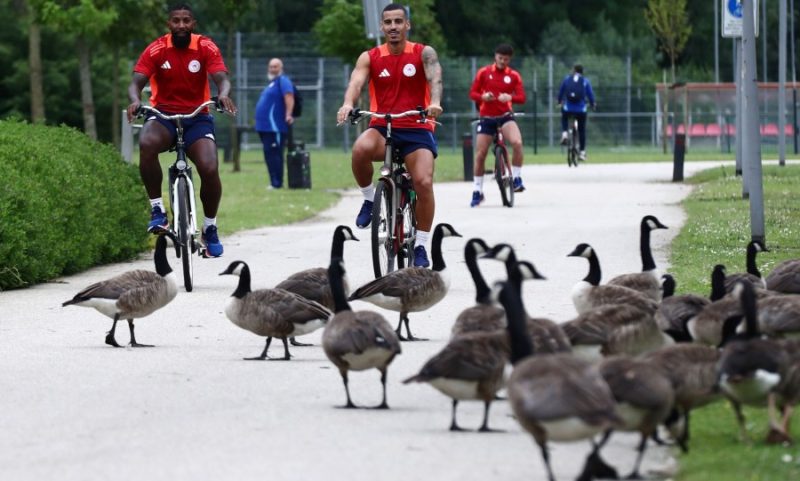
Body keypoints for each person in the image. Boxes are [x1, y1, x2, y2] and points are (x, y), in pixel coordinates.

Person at [336, 3, 443, 268]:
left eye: (398, 22)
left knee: (423, 182)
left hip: (417, 125)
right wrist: (348, 103)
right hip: (383, 125)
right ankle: (369, 199)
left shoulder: (422, 52)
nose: (393, 27)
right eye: (388, 22)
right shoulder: (370, 56)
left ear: (407, 25)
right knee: (360, 149)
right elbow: (356, 82)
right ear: (381, 26)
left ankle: (421, 244)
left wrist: (435, 103)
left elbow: (435, 78)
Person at [126, 3, 237, 258]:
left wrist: (223, 95)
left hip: (198, 116)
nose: (181, 25)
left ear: (193, 24)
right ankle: (157, 210)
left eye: (186, 20)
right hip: (163, 114)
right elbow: (136, 82)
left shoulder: (205, 46)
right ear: (169, 24)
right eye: (176, 21)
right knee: (146, 144)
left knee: (209, 167)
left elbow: (222, 78)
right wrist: (134, 100)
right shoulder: (156, 48)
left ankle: (210, 228)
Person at [468, 43, 527, 207]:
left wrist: (510, 97)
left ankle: (516, 178)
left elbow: (522, 97)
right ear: (495, 56)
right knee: (480, 154)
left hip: (505, 116)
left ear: (510, 60)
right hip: (487, 117)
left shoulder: (514, 75)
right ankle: (477, 191)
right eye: (500, 58)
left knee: (517, 142)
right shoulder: (484, 72)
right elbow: (472, 93)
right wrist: (482, 97)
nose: (502, 62)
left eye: (506, 59)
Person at [254, 58, 295, 189]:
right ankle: (273, 181)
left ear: (281, 68)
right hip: (265, 127)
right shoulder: (272, 83)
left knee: (275, 154)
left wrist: (288, 114)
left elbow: (289, 96)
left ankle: (277, 183)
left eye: (275, 66)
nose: (272, 69)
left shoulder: (283, 81)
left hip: (275, 126)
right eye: (271, 66)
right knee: (269, 154)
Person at [557, 64, 596, 162]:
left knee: (564, 115)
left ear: (573, 70)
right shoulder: (585, 81)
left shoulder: (567, 79)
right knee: (582, 130)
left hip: (568, 108)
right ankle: (582, 152)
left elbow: (561, 93)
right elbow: (590, 95)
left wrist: (559, 102)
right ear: (582, 72)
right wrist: (592, 104)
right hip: (581, 110)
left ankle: (565, 133)